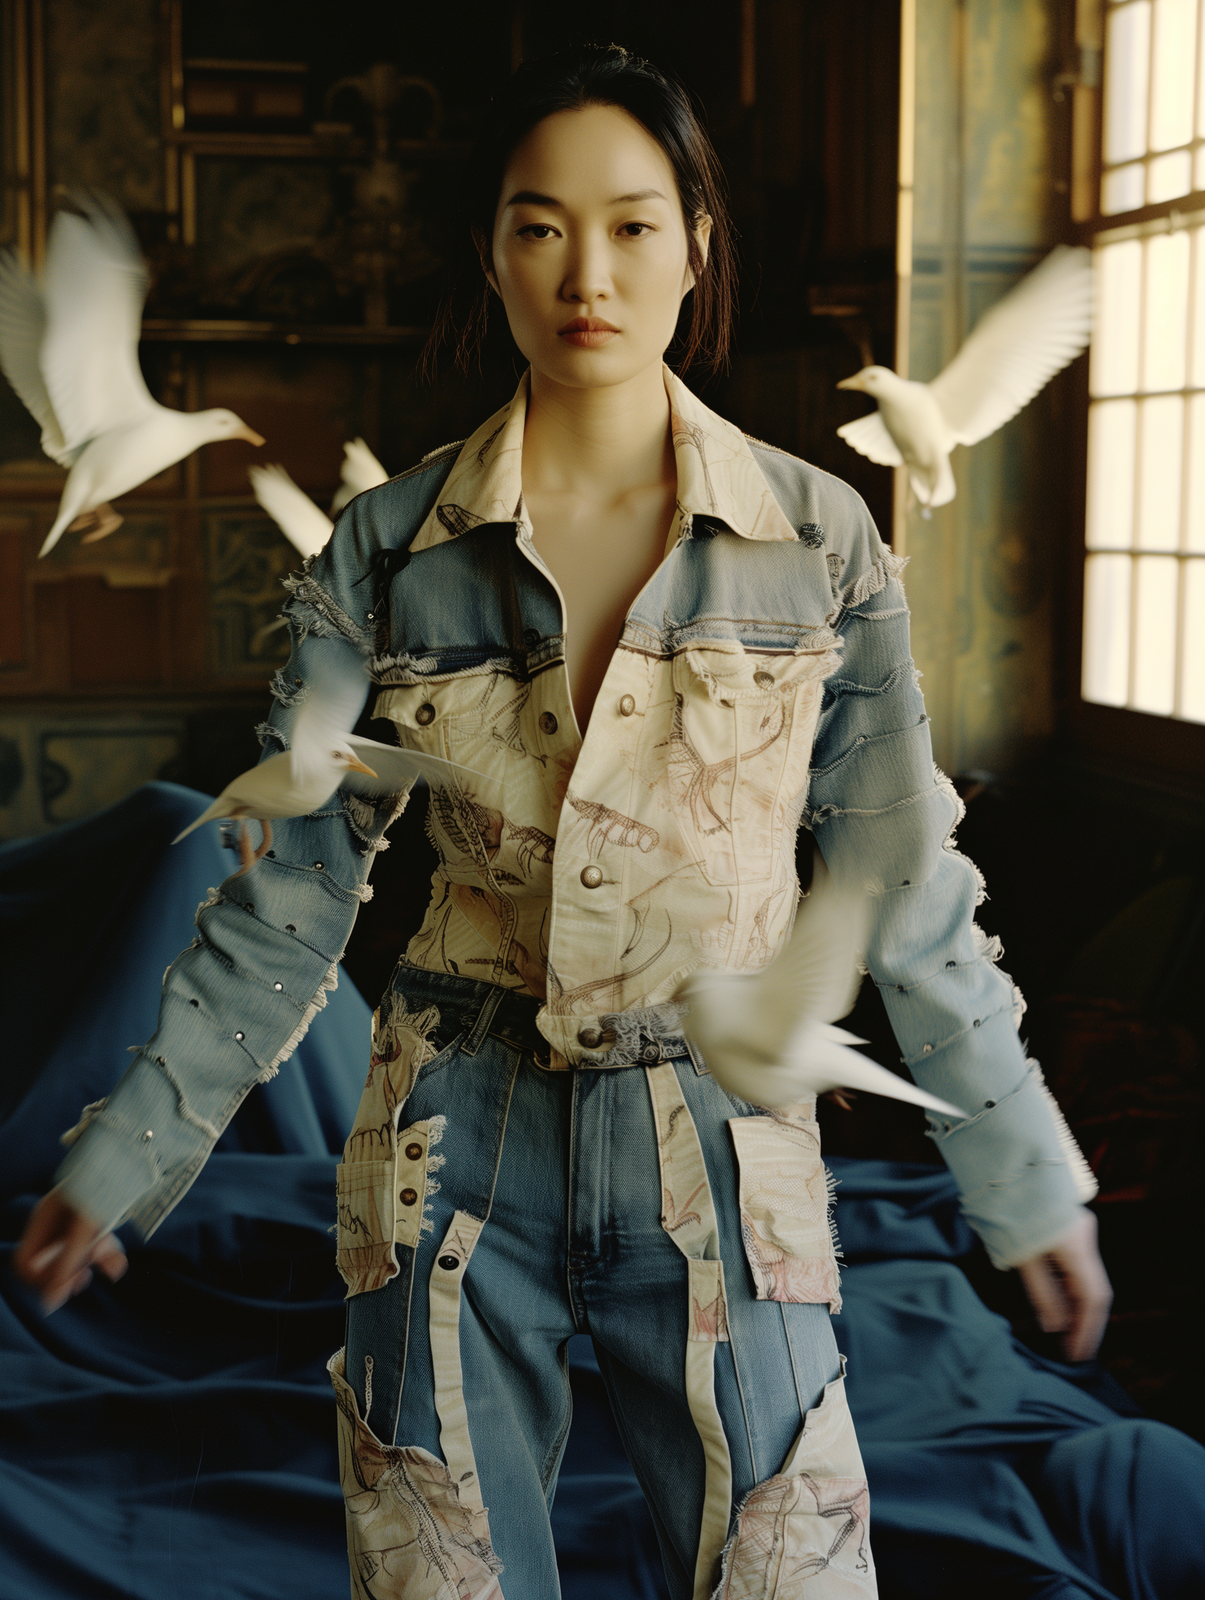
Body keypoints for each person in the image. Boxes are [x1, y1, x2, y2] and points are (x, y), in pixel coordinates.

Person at [15, 42, 1112, 1600]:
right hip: (449, 1154)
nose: (584, 272)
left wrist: (1021, 1169)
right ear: (494, 250)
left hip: (727, 1151)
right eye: (539, 226)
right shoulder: (385, 556)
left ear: (696, 246)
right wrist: (124, 1154)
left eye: (632, 225)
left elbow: (898, 867)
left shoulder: (819, 539)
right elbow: (289, 896)